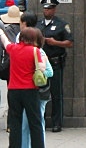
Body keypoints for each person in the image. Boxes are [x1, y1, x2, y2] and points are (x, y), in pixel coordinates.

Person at [0, 24, 47, 148]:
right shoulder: (35, 51)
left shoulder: (13, 49)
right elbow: (42, 68)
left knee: (15, 122)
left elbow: (5, 42)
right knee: (35, 122)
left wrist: (1, 32)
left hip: (14, 90)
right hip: (30, 90)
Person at [36, 0, 73, 132]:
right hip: (41, 64)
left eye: (50, 8)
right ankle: (41, 121)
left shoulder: (61, 24)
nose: (47, 11)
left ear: (54, 9)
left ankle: (57, 123)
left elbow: (70, 43)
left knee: (56, 94)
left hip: (55, 62)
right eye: (45, 8)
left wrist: (54, 42)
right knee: (40, 93)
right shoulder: (38, 25)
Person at [20, 17, 54, 148]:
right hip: (35, 92)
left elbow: (50, 72)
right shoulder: (33, 51)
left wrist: (37, 73)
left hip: (37, 92)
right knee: (30, 123)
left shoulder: (39, 52)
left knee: (33, 123)